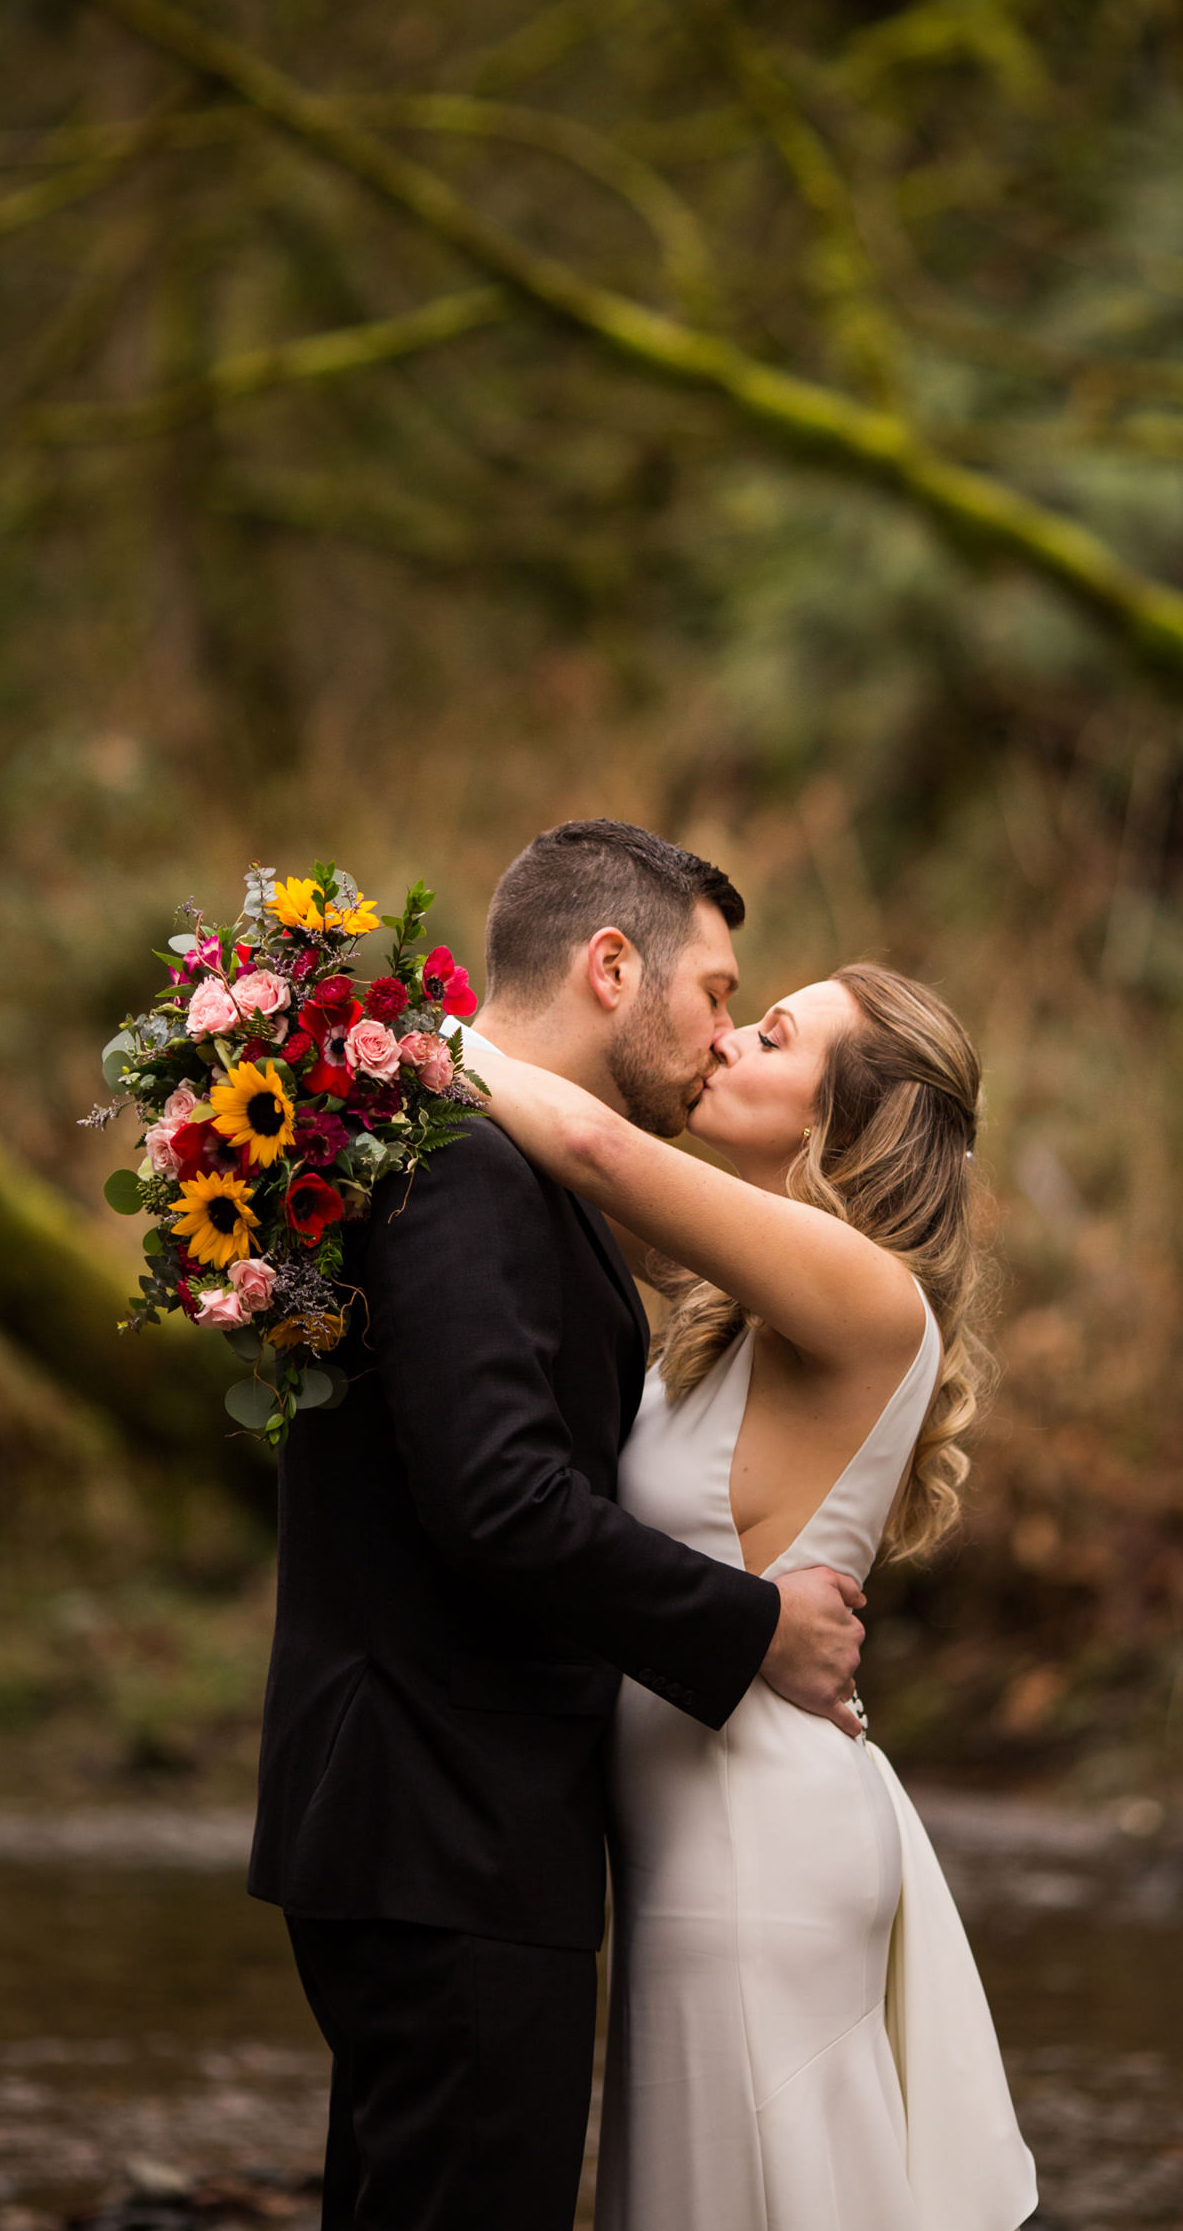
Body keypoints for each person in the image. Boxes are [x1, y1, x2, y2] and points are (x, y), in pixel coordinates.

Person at [248, 819, 868, 2231]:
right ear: (610, 966)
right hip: (440, 1812)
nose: (722, 1036)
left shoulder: (512, 1165)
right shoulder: (466, 1163)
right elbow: (501, 1499)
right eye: (717, 991)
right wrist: (754, 1624)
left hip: (447, 1812)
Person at [475, 959, 1038, 2231]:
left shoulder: (864, 1295)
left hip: (756, 1847)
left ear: (842, 1117)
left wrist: (385, 1044)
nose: (721, 1044)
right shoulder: (730, 1305)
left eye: (769, 1035)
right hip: (695, 1841)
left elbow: (584, 1143)